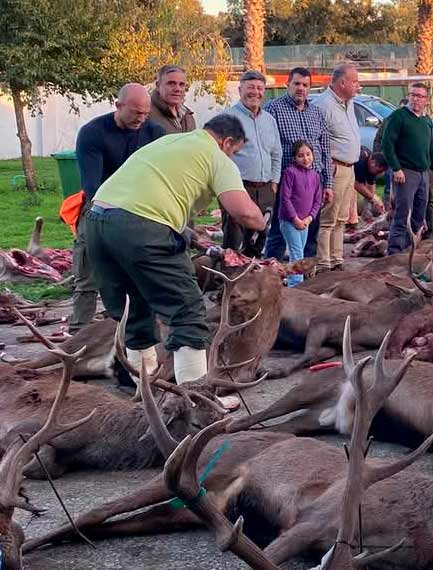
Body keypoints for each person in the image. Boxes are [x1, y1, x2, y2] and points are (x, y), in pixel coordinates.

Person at [84, 114, 266, 389]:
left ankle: (142, 390)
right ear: (227, 142)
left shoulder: (169, 143)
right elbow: (243, 212)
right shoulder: (214, 155)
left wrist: (186, 232)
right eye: (234, 152)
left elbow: (147, 192)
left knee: (133, 310)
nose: (232, 158)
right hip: (142, 228)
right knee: (188, 313)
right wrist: (263, 222)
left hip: (97, 221)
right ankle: (195, 398)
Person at [71, 83, 165, 333]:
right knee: (88, 275)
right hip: (99, 207)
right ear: (118, 105)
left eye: (145, 113)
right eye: (135, 112)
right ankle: (79, 333)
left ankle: (139, 331)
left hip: (140, 209)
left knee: (141, 273)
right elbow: (92, 187)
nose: (141, 119)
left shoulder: (154, 133)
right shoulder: (93, 133)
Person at [265, 67, 332, 260]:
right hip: (286, 182)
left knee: (310, 230)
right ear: (287, 84)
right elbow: (269, 146)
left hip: (313, 182)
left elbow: (325, 149)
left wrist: (327, 183)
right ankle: (273, 269)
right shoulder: (273, 109)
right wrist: (273, 180)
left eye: (305, 85)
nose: (301, 88)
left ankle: (307, 271)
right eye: (296, 84)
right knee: (279, 231)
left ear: (310, 88)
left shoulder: (316, 113)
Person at [223, 70, 282, 257]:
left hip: (265, 189)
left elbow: (276, 153)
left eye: (259, 88)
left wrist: (274, 181)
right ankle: (229, 273)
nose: (255, 92)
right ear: (240, 90)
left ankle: (253, 271)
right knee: (234, 239)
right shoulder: (228, 119)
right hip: (238, 188)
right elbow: (219, 156)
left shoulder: (269, 120)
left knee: (259, 237)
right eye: (250, 87)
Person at [381, 83, 433, 254]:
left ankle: (408, 251)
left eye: (420, 96)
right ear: (408, 96)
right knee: (403, 215)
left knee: (418, 216)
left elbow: (430, 147)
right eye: (413, 95)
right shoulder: (398, 117)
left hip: (423, 174)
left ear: (427, 100)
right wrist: (396, 168)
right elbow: (387, 144)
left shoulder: (426, 120)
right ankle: (394, 254)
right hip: (405, 173)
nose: (416, 99)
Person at [313, 64, 361, 273]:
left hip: (349, 169)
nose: (358, 85)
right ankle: (323, 262)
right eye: (354, 81)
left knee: (342, 217)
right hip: (334, 167)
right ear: (342, 83)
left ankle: (336, 258)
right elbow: (315, 141)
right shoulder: (322, 105)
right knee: (328, 218)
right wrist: (325, 170)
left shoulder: (349, 102)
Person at [279, 141, 322, 287]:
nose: (305, 159)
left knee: (299, 253)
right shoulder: (290, 172)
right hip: (289, 221)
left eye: (308, 154)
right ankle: (295, 285)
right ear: (294, 157)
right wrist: (295, 218)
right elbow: (285, 198)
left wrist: (310, 218)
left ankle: (292, 280)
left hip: (305, 222)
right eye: (301, 156)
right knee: (297, 253)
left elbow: (317, 200)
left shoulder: (315, 176)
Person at [149, 65, 196, 134]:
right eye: (171, 83)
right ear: (158, 85)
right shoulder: (146, 115)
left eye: (181, 84)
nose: (177, 89)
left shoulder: (188, 116)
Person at [353, 148, 388, 218]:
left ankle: (366, 216)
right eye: (379, 171)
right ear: (373, 163)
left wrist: (376, 202)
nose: (379, 174)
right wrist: (375, 199)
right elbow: (357, 185)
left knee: (369, 198)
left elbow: (371, 187)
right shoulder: (361, 161)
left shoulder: (371, 163)